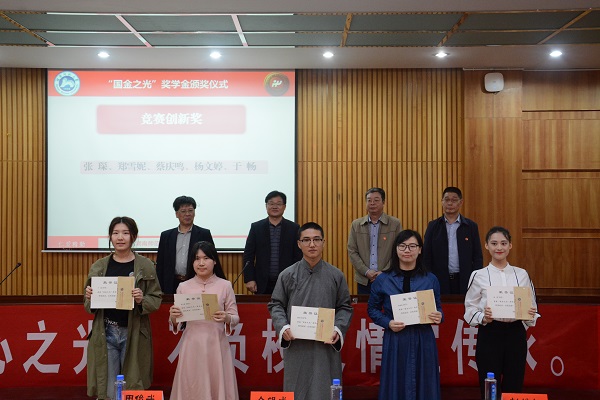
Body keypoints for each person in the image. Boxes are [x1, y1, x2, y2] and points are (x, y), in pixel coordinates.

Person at [268, 222, 354, 400]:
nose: (312, 244)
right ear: (299, 244)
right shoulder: (287, 274)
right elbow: (276, 304)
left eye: (317, 239)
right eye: (306, 240)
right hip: (297, 344)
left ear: (323, 242)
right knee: (296, 388)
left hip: (326, 345)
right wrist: (283, 327)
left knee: (328, 388)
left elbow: (345, 307)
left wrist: (338, 329)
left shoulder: (336, 275)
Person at [84, 217, 162, 400]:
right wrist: (89, 297)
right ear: (110, 237)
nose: (120, 237)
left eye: (125, 233)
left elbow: (156, 298)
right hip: (106, 331)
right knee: (108, 388)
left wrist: (142, 299)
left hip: (134, 332)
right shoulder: (99, 266)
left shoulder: (145, 266)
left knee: (133, 384)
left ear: (133, 236)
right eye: (116, 233)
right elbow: (88, 306)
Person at [464, 226, 539, 399]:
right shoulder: (478, 275)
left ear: (510, 245)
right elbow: (470, 308)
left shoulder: (522, 274)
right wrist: (483, 317)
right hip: (490, 333)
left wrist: (529, 313)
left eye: (504, 243)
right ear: (486, 245)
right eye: (494, 243)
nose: (499, 247)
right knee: (490, 385)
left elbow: (532, 306)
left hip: (515, 333)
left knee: (514, 383)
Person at [368, 230, 443, 400]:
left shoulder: (430, 279)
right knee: (396, 382)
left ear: (420, 249)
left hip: (423, 338)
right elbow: (372, 309)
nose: (407, 250)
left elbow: (438, 307)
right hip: (396, 338)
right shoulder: (383, 279)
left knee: (425, 382)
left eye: (412, 246)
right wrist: (388, 323)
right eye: (402, 246)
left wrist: (439, 315)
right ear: (396, 249)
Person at [168, 241, 240, 400]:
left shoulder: (225, 285)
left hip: (216, 343)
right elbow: (176, 322)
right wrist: (173, 316)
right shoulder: (183, 287)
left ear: (214, 261)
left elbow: (235, 317)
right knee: (192, 384)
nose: (201, 263)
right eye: (197, 259)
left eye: (206, 258)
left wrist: (227, 317)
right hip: (191, 344)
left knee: (216, 384)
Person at [423, 186, 483, 294]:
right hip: (439, 279)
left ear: (461, 202)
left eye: (454, 200)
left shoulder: (471, 226)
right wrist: (428, 278)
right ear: (442, 202)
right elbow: (426, 256)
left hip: (464, 279)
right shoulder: (433, 226)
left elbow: (477, 256)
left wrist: (475, 279)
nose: (450, 203)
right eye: (446, 200)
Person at [243, 190, 302, 294]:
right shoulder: (256, 227)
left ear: (284, 207)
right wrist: (249, 279)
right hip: (262, 282)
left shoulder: (294, 228)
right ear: (266, 206)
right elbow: (248, 255)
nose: (275, 207)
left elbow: (298, 257)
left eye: (278, 204)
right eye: (271, 203)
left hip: (288, 281)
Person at [348, 187, 403, 294]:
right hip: (364, 279)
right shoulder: (356, 224)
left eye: (376, 200)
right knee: (365, 304)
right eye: (369, 200)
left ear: (383, 202)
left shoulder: (395, 223)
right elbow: (352, 251)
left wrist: (384, 272)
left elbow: (399, 250)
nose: (372, 203)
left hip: (389, 278)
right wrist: (366, 271)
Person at [157, 195, 214, 294]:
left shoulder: (204, 234)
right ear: (176, 214)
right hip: (171, 283)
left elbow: (212, 259)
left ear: (194, 212)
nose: (187, 214)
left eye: (190, 210)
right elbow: (160, 264)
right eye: (183, 211)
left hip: (196, 282)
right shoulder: (166, 236)